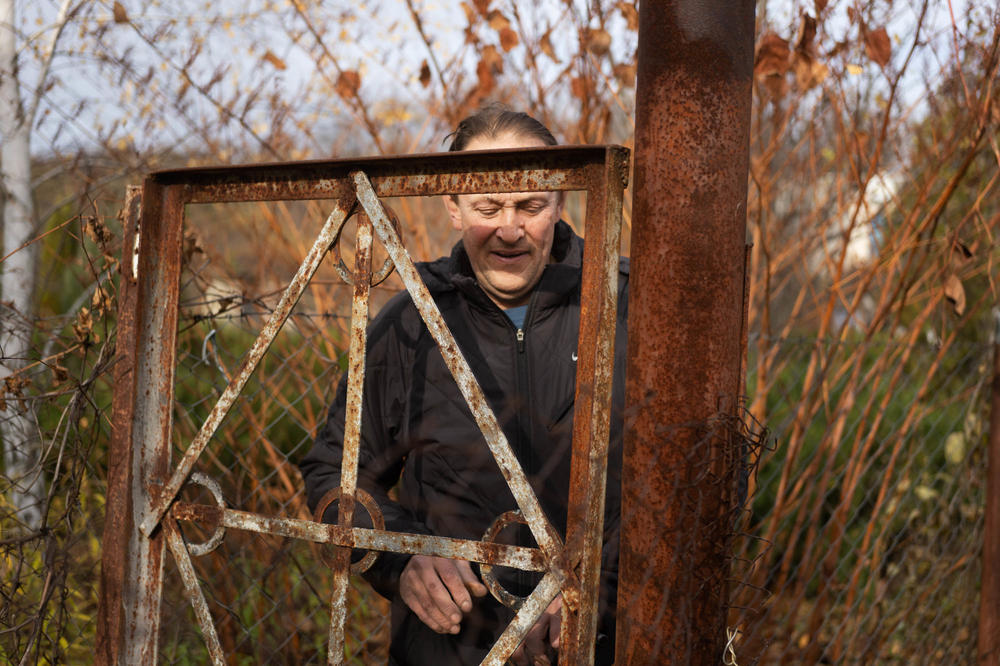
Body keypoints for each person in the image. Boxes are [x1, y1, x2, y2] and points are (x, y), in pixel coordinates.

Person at [299, 105, 628, 665]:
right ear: (452, 206)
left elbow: (693, 479)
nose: (508, 228)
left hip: (610, 645)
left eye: (529, 205)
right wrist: (401, 559)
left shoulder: (626, 308)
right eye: (487, 206)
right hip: (453, 648)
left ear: (561, 202)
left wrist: (598, 591)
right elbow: (336, 474)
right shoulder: (412, 323)